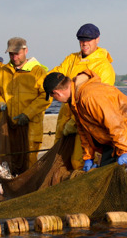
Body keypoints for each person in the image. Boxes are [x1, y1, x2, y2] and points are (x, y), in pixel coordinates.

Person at [43, 69, 127, 172]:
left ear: (57, 93)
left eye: (54, 97)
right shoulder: (74, 101)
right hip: (115, 137)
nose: (57, 100)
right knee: (105, 169)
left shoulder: (89, 96)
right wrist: (88, 157)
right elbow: (84, 131)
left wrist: (125, 151)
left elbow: (115, 124)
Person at [48, 23, 116, 168]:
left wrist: (74, 122)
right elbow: (54, 76)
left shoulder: (104, 67)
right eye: (81, 40)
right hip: (64, 117)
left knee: (78, 161)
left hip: (86, 121)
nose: (84, 43)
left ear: (97, 39)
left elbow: (98, 101)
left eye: (88, 39)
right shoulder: (71, 59)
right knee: (59, 158)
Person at [0, 37, 50, 168]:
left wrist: (27, 114)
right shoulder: (3, 71)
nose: (14, 57)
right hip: (10, 127)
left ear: (26, 51)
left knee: (29, 161)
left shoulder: (38, 71)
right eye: (11, 54)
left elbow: (46, 96)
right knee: (9, 162)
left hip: (31, 127)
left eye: (17, 53)